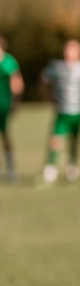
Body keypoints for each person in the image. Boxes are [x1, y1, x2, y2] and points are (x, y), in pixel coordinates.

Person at [41, 40, 80, 185]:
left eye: (73, 50)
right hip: (62, 110)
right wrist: (48, 98)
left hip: (78, 111)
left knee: (75, 139)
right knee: (56, 138)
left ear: (79, 52)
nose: (69, 53)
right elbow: (44, 81)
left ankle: (72, 166)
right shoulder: (56, 67)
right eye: (68, 50)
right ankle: (50, 167)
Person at [0, 36, 24, 183]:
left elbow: (17, 83)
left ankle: (11, 168)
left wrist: (16, 103)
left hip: (3, 105)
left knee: (5, 135)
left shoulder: (9, 62)